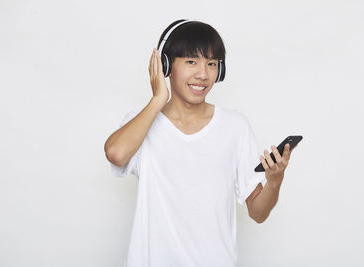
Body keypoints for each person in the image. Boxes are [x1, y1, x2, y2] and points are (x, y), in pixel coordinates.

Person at [104, 19, 294, 267]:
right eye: (191, 61)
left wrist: (274, 181)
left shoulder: (235, 127)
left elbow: (257, 213)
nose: (203, 74)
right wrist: (158, 99)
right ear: (165, 65)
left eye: (212, 64)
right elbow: (116, 154)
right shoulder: (142, 124)